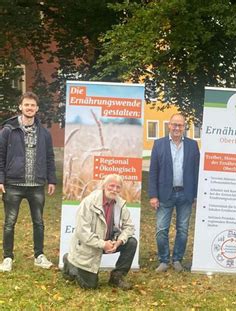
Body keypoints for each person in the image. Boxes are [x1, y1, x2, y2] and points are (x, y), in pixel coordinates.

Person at [0, 92, 57, 272]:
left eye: (32, 105)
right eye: (26, 105)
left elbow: (49, 157)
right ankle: (7, 258)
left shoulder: (45, 133)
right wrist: (0, 179)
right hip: (13, 185)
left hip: (36, 186)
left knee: (39, 222)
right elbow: (0, 156)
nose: (29, 108)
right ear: (20, 107)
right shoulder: (8, 131)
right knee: (10, 223)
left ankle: (39, 256)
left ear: (37, 109)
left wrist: (52, 180)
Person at [62, 174, 137, 290]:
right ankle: (69, 262)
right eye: (111, 186)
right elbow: (82, 232)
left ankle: (117, 277)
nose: (114, 190)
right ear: (104, 185)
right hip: (89, 246)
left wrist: (119, 242)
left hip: (109, 243)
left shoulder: (121, 204)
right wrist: (103, 244)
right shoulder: (89, 203)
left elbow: (129, 227)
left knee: (131, 242)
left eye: (118, 187)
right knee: (90, 286)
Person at [148, 113, 199, 272]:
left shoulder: (192, 145)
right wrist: (153, 195)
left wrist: (196, 194)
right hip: (165, 194)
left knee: (183, 229)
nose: (177, 128)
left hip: (185, 194)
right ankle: (164, 260)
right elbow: (153, 171)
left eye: (180, 125)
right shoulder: (159, 144)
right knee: (161, 229)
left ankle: (177, 259)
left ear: (184, 127)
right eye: (174, 125)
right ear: (169, 126)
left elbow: (196, 172)